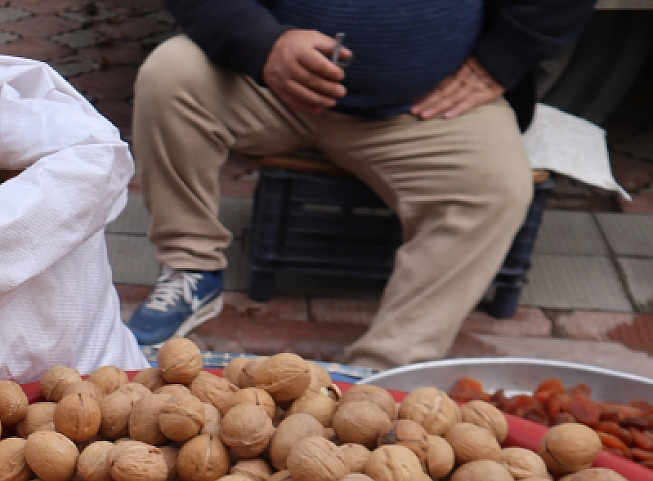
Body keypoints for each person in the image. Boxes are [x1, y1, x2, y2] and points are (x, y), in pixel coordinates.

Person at [124, 0, 595, 368]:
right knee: (171, 76)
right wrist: (264, 44)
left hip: (424, 109)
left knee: (496, 186)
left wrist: (501, 59)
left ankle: (385, 368)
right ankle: (192, 268)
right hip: (270, 87)